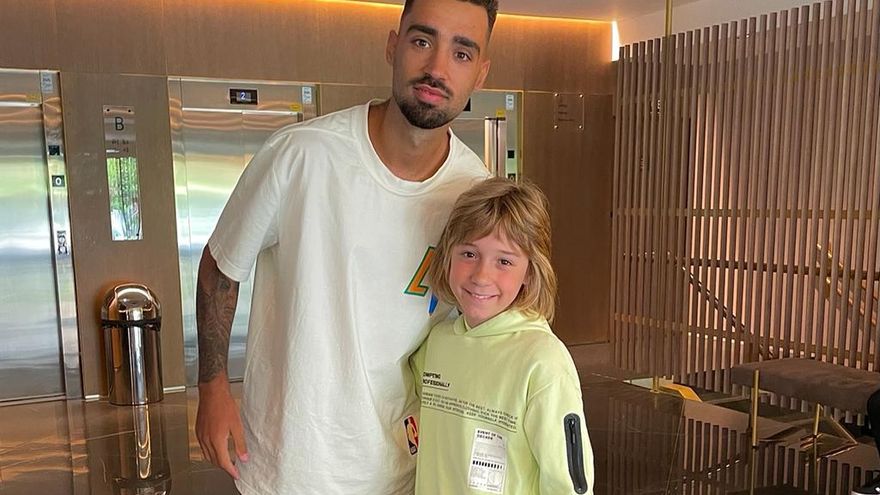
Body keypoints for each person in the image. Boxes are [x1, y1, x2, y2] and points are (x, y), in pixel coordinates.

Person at [194, 0, 498, 493]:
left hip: (403, 471)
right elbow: (221, 267)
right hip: (289, 464)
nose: (437, 68)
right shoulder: (302, 155)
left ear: (480, 74)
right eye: (422, 41)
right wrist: (212, 388)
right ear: (392, 45)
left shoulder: (475, 196)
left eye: (462, 54)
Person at [410, 178, 595, 494]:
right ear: (447, 257)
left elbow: (568, 484)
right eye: (469, 254)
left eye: (504, 261)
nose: (481, 275)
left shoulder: (543, 361)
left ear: (530, 273)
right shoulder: (437, 343)